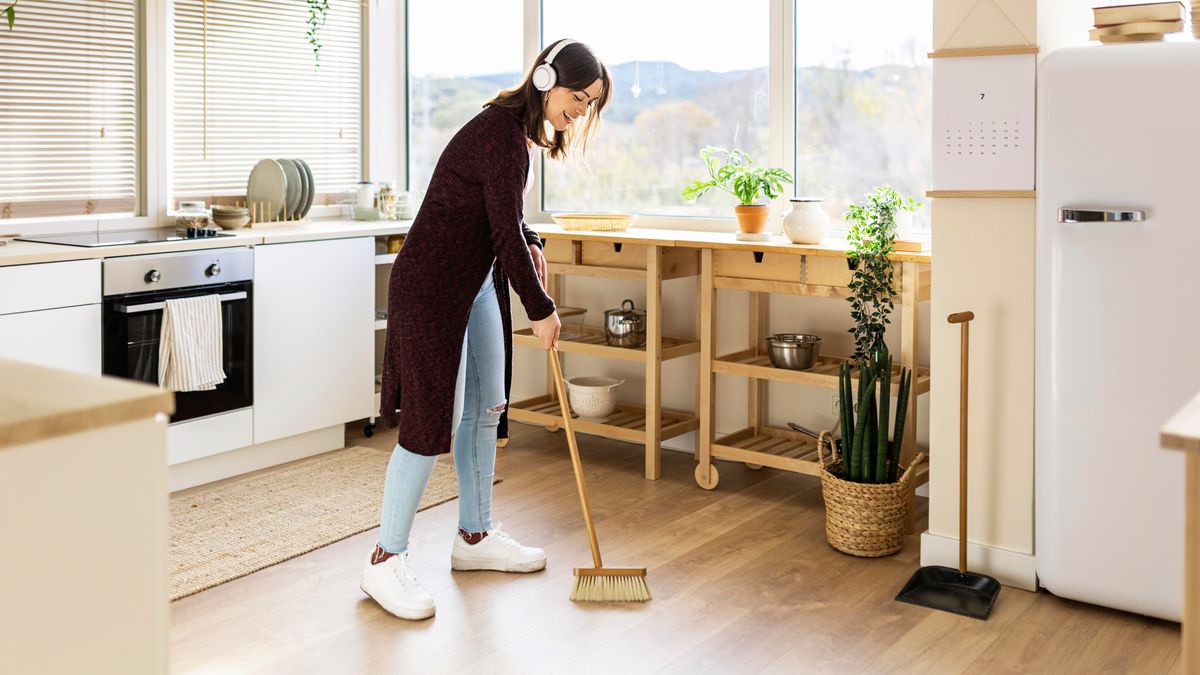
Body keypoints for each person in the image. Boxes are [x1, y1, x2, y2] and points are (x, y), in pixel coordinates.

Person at [366, 39, 611, 621]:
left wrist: (531, 241)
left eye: (591, 106)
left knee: (487, 407)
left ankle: (474, 538)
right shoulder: (499, 135)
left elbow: (505, 221)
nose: (580, 113)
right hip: (430, 287)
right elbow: (502, 229)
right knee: (429, 423)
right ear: (547, 79)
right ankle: (383, 559)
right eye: (578, 99)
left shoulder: (513, 139)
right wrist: (543, 308)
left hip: (475, 282)